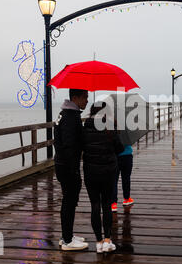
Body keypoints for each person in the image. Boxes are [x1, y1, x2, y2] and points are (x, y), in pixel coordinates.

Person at [82, 102, 124, 253]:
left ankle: (98, 242)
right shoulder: (110, 127)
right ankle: (107, 240)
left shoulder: (85, 127)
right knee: (107, 205)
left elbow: (81, 147)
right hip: (108, 171)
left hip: (90, 172)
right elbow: (120, 149)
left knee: (94, 205)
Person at [53, 89, 89, 251]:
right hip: (68, 165)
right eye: (84, 97)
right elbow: (69, 144)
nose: (87, 101)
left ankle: (66, 234)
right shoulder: (69, 116)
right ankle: (67, 241)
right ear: (75, 98)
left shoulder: (65, 113)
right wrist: (73, 168)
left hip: (62, 164)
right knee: (69, 201)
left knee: (69, 201)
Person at [111, 144, 134, 212]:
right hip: (127, 156)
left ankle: (113, 203)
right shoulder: (126, 134)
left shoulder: (112, 133)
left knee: (114, 180)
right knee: (126, 178)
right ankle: (126, 199)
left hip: (115, 156)